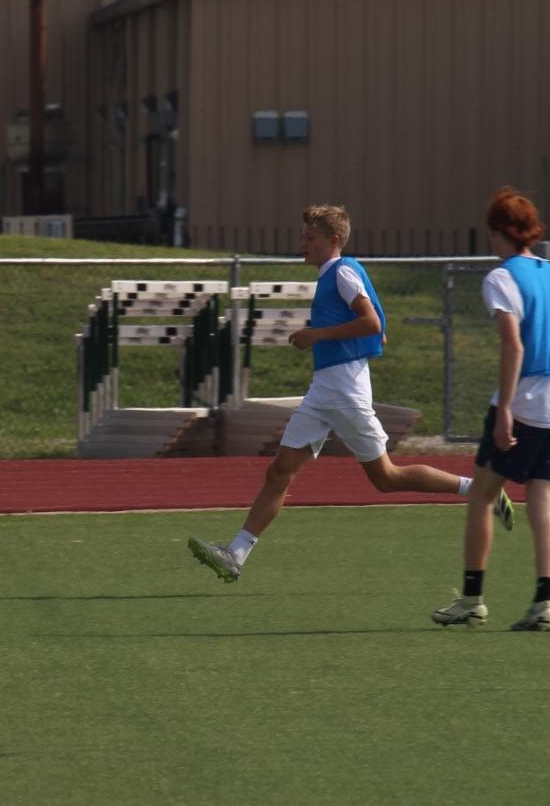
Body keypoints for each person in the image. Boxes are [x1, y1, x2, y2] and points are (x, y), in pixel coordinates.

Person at [188, 204, 512, 583]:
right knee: (280, 471)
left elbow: (370, 319)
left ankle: (478, 490)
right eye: (303, 236)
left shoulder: (341, 270)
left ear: (333, 240)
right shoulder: (336, 274)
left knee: (387, 477)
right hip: (324, 390)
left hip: (344, 391)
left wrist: (316, 335)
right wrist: (367, 332)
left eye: (310, 238)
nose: (302, 244)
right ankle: (235, 555)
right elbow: (375, 322)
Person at [431, 186, 550, 632]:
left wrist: (506, 410)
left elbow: (514, 344)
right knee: (542, 506)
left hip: (526, 403)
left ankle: (473, 599)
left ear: (497, 232)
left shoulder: (501, 277)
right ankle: (543, 605)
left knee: (481, 494)